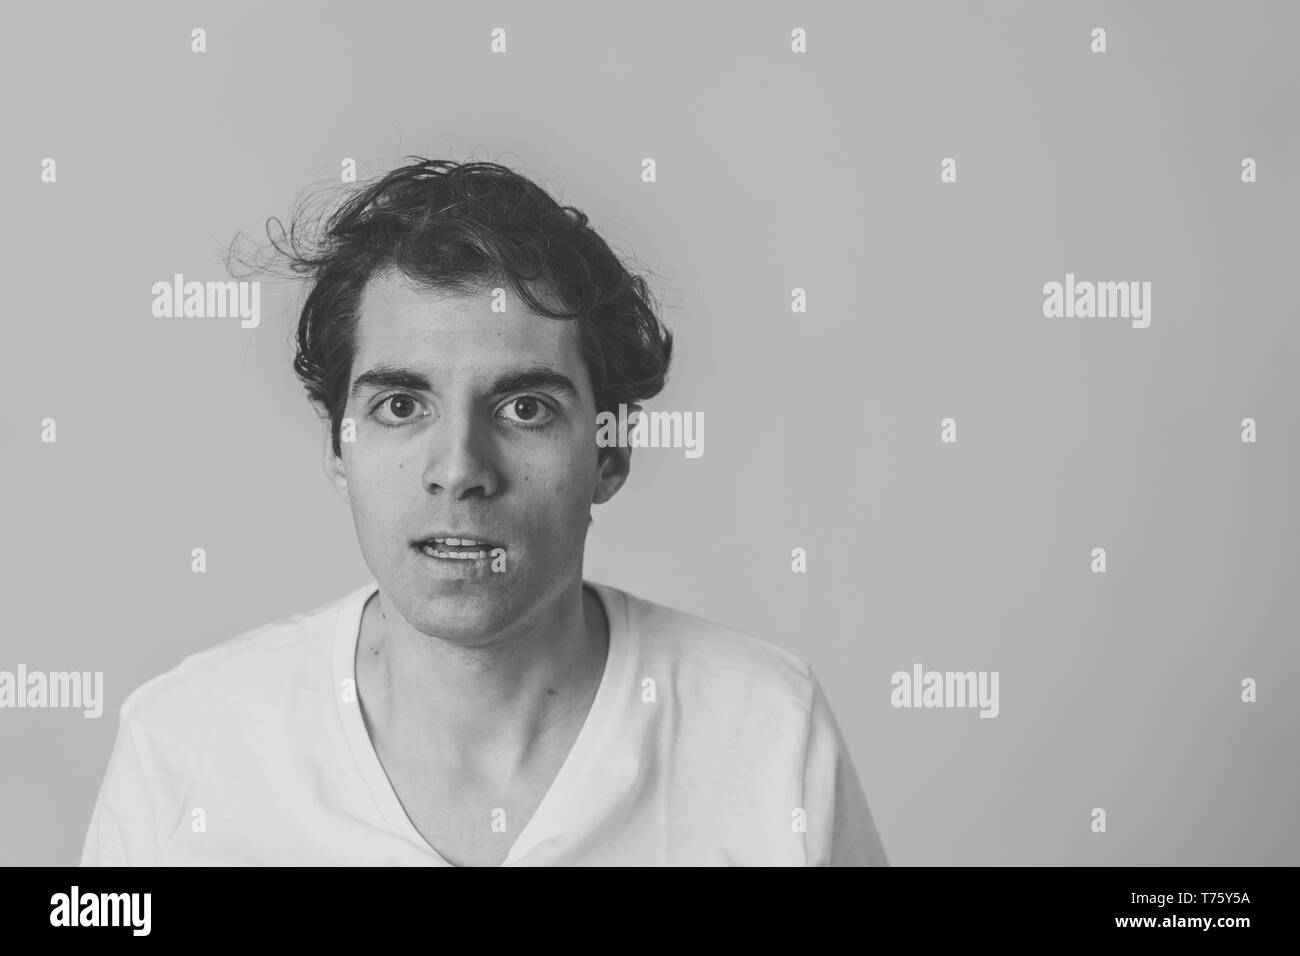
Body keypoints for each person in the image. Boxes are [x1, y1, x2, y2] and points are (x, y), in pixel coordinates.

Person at [79, 158, 888, 866]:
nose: (460, 470)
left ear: (608, 453)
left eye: (526, 408)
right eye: (401, 405)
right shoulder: (183, 745)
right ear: (339, 448)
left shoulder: (768, 734)